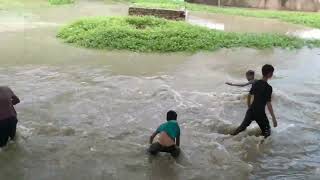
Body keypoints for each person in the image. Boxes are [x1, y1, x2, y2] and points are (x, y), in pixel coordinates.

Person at [231, 65, 277, 138]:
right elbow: (268, 104)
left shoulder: (256, 83)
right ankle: (260, 147)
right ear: (269, 74)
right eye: (272, 73)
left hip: (251, 110)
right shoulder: (268, 88)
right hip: (260, 113)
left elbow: (249, 95)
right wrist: (274, 118)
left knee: (241, 128)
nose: (272, 74)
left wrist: (249, 107)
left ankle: (229, 137)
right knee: (267, 133)